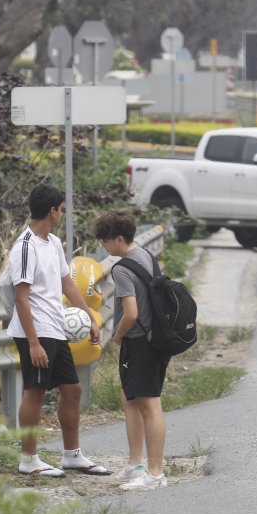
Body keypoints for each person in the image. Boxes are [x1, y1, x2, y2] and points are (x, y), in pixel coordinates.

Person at [7, 184, 109, 477]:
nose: (62, 214)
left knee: (72, 389)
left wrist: (89, 317)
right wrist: (34, 342)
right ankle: (28, 460)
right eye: (61, 210)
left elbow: (67, 284)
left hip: (55, 327)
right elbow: (21, 298)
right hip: (35, 331)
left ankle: (72, 455)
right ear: (52, 211)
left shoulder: (53, 242)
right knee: (35, 391)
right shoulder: (25, 247)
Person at [93, 210, 170, 491]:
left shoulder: (122, 268)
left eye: (105, 240)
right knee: (130, 398)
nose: (103, 246)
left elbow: (131, 313)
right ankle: (136, 462)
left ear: (120, 239)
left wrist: (117, 336)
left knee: (150, 405)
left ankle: (155, 473)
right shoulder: (147, 256)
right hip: (155, 339)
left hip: (139, 341)